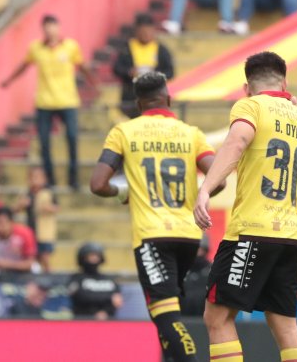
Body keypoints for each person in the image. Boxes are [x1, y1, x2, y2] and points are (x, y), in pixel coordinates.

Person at [192, 51, 297, 362]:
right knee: (283, 324)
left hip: (251, 231)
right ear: (285, 82)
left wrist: (205, 190)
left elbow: (238, 140)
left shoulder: (250, 106)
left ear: (247, 87)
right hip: (290, 236)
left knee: (217, 318)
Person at [88, 72, 218, 362]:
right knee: (166, 313)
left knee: (166, 316)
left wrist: (122, 192)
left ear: (138, 104)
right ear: (168, 99)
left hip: (152, 236)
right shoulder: (192, 133)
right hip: (188, 236)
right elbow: (218, 177)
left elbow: (98, 184)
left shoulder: (124, 132)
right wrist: (200, 197)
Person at [0, 14, 96, 189]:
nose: (50, 30)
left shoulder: (70, 47)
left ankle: (73, 179)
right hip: (44, 102)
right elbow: (24, 65)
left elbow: (82, 66)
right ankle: (49, 180)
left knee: (72, 138)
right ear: (43, 29)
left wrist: (93, 82)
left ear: (58, 28)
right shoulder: (36, 48)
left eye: (53, 26)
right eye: (47, 27)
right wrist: (9, 80)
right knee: (44, 142)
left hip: (68, 101)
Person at [113, 14, 175, 119]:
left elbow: (170, 72)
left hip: (154, 98)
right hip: (131, 96)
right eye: (142, 31)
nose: (145, 34)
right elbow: (117, 68)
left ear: (153, 31)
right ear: (136, 31)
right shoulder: (127, 48)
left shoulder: (161, 50)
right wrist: (129, 72)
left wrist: (155, 76)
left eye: (148, 31)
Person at [16, 167, 57, 273]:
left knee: (45, 257)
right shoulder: (26, 194)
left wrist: (48, 208)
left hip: (45, 232)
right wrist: (21, 205)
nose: (35, 180)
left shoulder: (48, 193)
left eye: (38, 177)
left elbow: (56, 207)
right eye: (32, 178)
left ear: (44, 179)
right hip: (31, 231)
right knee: (34, 257)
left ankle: (49, 275)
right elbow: (15, 209)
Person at [68, 242, 123, 319]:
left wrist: (105, 312)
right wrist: (107, 298)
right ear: (83, 258)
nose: (94, 258)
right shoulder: (76, 278)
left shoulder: (109, 280)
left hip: (108, 321)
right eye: (91, 256)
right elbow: (80, 297)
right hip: (83, 320)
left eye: (97, 256)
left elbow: (117, 301)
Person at [0, 207, 38, 275]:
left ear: (11, 223)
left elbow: (29, 263)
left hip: (23, 273)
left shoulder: (25, 234)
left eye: (2, 223)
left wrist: (7, 264)